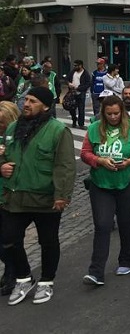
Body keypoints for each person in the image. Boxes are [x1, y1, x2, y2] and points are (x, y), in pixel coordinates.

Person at [0, 87, 76, 305]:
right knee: (9, 239)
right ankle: (24, 277)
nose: (26, 104)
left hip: (45, 197)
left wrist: (62, 195)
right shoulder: (14, 127)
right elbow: (3, 152)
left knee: (48, 241)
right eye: (26, 100)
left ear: (45, 106)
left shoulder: (58, 131)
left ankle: (46, 281)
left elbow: (65, 166)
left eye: (32, 101)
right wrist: (2, 166)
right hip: (15, 196)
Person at [80, 95, 130, 285]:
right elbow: (85, 153)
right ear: (103, 114)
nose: (113, 117)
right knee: (102, 225)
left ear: (122, 112)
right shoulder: (94, 128)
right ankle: (96, 271)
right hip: (101, 183)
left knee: (125, 221)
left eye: (116, 113)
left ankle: (127, 259)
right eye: (109, 114)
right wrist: (100, 161)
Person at [0, 101, 20, 295]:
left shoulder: (15, 138)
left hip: (9, 196)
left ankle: (13, 272)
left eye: (2, 123)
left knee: (8, 239)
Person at [66, 59, 91, 129]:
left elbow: (88, 84)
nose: (75, 67)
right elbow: (67, 79)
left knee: (81, 109)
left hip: (81, 93)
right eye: (74, 65)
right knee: (71, 108)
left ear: (80, 65)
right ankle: (74, 119)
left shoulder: (85, 74)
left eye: (76, 65)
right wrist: (69, 84)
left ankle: (81, 124)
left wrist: (79, 88)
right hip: (72, 93)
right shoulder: (72, 72)